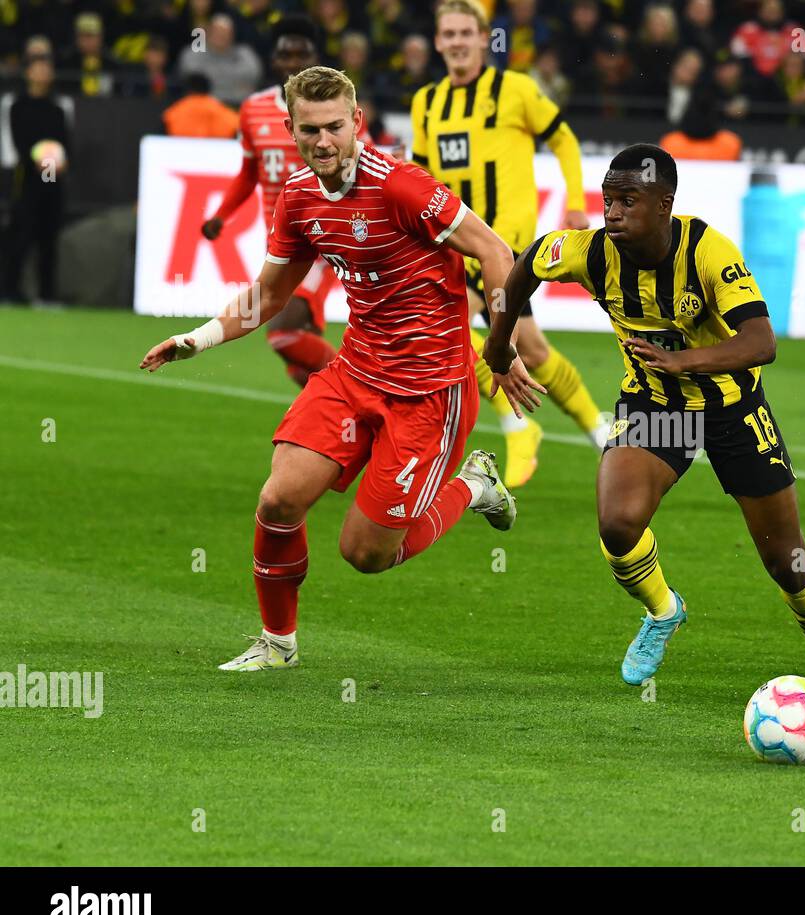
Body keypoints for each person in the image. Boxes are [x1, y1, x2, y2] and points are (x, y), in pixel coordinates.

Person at [139, 66, 536, 672]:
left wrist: (501, 347)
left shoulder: (402, 186)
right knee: (279, 500)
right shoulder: (297, 196)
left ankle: (475, 485)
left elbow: (494, 250)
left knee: (367, 554)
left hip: (430, 393)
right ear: (291, 130)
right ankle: (277, 644)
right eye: (308, 130)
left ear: (356, 123)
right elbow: (269, 296)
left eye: (333, 127)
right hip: (355, 373)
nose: (322, 141)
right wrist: (198, 339)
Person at [480, 144, 805, 711]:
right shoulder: (590, 252)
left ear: (665, 205)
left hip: (734, 412)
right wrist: (497, 344)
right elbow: (528, 263)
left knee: (787, 559)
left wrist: (685, 361)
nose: (612, 212)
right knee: (617, 523)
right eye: (608, 200)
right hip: (657, 407)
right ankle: (663, 610)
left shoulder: (708, 251)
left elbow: (762, 341)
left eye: (628, 201)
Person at [411, 0, 609, 488]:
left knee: (487, 342)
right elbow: (419, 176)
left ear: (484, 39)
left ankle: (534, 426)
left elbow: (563, 138)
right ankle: (579, 429)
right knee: (508, 345)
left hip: (506, 248)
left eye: (465, 33)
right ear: (438, 42)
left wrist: (578, 202)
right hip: (456, 246)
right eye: (448, 34)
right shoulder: (426, 103)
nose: (457, 42)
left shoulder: (516, 89)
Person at [200, 17, 345, 388]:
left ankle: (359, 391)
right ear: (274, 59)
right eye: (286, 52)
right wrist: (222, 215)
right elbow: (249, 173)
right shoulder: (253, 109)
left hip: (324, 241)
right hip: (282, 245)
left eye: (302, 52)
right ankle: (347, 430)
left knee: (281, 333)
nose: (293, 60)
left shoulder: (332, 111)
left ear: (316, 58)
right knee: (299, 362)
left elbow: (365, 162)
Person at [2, 52, 68, 307]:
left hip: (53, 182)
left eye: (47, 68)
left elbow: (64, 144)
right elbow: (22, 143)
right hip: (28, 181)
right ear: (29, 72)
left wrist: (60, 162)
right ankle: (9, 292)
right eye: (38, 68)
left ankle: (47, 295)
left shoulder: (56, 109)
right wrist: (38, 161)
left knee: (49, 240)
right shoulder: (19, 106)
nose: (43, 73)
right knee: (20, 237)